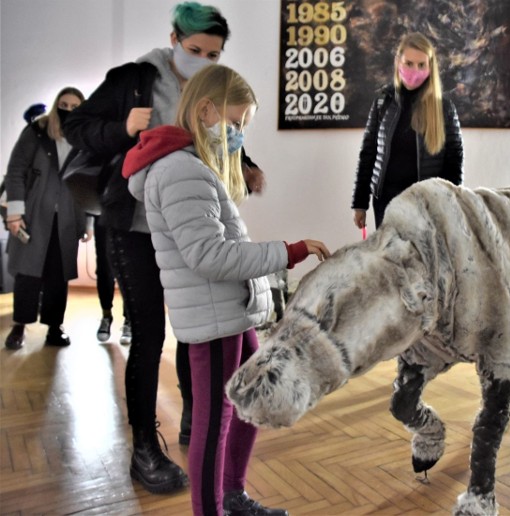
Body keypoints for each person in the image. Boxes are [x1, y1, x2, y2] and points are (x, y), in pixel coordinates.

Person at [124, 63, 329, 516]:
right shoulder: (180, 171)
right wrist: (287, 251)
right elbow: (211, 257)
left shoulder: (194, 166)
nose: (238, 135)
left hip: (232, 312)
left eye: (243, 126)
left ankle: (233, 496)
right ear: (205, 110)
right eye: (236, 123)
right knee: (213, 425)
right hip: (214, 320)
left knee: (251, 403)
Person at [64, 1, 235, 494]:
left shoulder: (212, 88)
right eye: (195, 49)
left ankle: (192, 424)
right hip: (134, 225)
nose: (203, 59)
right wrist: (123, 129)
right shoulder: (134, 77)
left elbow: (212, 141)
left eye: (214, 53)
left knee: (195, 327)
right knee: (149, 334)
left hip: (190, 225)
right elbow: (78, 128)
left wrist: (241, 156)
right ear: (175, 39)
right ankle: (144, 449)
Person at [4, 88, 91, 350]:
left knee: (58, 274)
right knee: (27, 274)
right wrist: (15, 212)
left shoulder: (84, 138)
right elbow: (15, 171)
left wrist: (86, 223)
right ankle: (19, 325)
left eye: (75, 106)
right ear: (56, 105)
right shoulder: (37, 131)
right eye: (64, 104)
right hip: (33, 215)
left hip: (67, 218)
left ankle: (55, 327)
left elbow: (87, 182)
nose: (68, 110)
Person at [352, 31, 464, 230]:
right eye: (409, 63)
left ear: (430, 66)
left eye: (422, 65)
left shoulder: (444, 108)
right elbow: (368, 154)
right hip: (386, 203)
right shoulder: (382, 102)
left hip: (427, 205)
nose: (415, 70)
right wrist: (360, 203)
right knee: (389, 259)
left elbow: (454, 159)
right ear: (398, 62)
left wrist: (448, 204)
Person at [94, 216, 132, 345]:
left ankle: (129, 320)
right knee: (104, 270)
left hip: (130, 217)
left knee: (129, 269)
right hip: (104, 215)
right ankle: (106, 315)